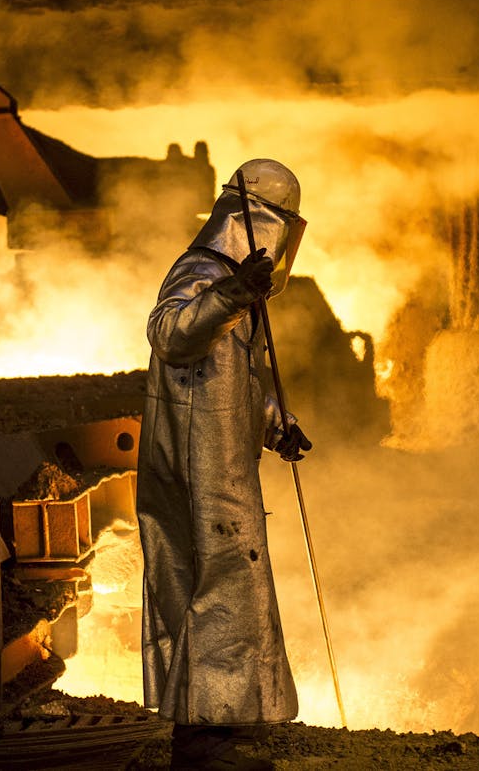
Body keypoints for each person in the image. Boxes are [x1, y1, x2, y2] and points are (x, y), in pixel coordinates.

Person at [137, 159, 314, 770]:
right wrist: (231, 295)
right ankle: (202, 740)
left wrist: (273, 424)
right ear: (256, 219)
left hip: (220, 464)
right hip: (193, 469)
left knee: (231, 587)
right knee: (206, 589)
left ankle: (227, 720)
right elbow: (170, 334)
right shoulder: (202, 272)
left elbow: (231, 380)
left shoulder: (234, 286)